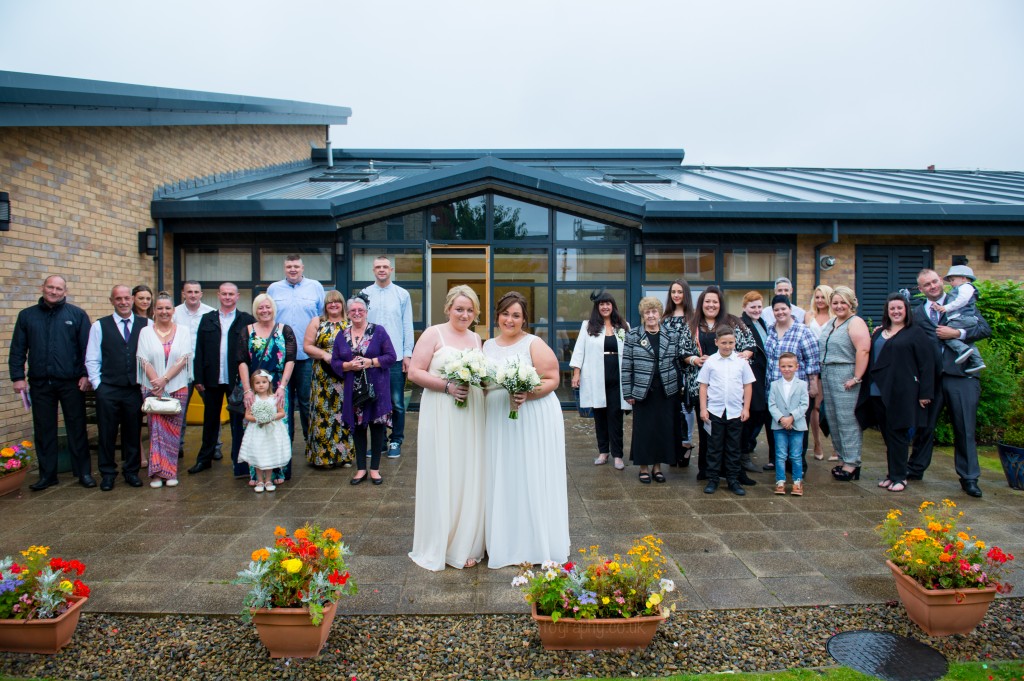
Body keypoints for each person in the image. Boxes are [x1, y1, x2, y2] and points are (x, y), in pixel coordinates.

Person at [483, 291, 570, 568]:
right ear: (497, 315)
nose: (510, 319)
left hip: (531, 416)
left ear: (524, 319)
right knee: (505, 474)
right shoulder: (486, 346)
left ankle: (536, 543)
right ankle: (506, 541)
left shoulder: (534, 343)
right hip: (498, 418)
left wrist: (527, 394)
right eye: (506, 313)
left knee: (530, 472)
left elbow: (553, 378)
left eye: (516, 315)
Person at [408, 285, 486, 571]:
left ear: (476, 312)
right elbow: (415, 372)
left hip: (472, 411)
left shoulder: (477, 338)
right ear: (448, 308)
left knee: (468, 472)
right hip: (442, 409)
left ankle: (467, 542)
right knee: (444, 470)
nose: (464, 314)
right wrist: (447, 386)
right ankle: (442, 542)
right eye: (459, 309)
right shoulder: (433, 333)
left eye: (470, 310)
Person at [909, 268, 990, 498]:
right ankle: (915, 468)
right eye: (926, 285)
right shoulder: (917, 314)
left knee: (964, 427)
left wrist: (956, 333)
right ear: (922, 289)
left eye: (934, 282)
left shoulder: (960, 303)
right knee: (924, 426)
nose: (932, 287)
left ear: (941, 282)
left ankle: (969, 478)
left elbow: (984, 328)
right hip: (931, 379)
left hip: (962, 376)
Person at [9, 275, 93, 490]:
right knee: (44, 429)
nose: (54, 291)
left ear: (65, 291)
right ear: (43, 288)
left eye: (58, 288)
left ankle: (83, 472)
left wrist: (85, 374)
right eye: (50, 287)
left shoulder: (77, 315)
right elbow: (18, 349)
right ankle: (48, 475)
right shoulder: (27, 316)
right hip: (40, 383)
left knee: (77, 427)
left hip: (71, 382)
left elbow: (87, 349)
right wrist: (17, 377)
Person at [855, 293, 934, 494]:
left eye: (900, 308)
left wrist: (925, 393)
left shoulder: (915, 333)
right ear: (887, 312)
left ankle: (900, 477)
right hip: (877, 391)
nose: (896, 311)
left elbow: (926, 364)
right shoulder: (880, 332)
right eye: (892, 308)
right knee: (888, 436)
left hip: (902, 392)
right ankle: (892, 475)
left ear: (906, 310)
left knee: (898, 435)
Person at [681, 285, 756, 484]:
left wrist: (747, 353)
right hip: (703, 389)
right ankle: (708, 471)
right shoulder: (691, 324)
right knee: (709, 433)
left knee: (734, 434)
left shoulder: (734, 322)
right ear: (702, 304)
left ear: (720, 303)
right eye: (707, 301)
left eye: (715, 301)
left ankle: (733, 472)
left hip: (730, 390)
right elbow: (681, 352)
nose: (711, 305)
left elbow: (750, 344)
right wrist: (695, 360)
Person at [86, 284, 151, 491]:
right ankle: (107, 473)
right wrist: (99, 386)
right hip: (109, 388)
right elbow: (92, 358)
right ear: (112, 301)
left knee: (133, 432)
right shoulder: (99, 326)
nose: (123, 302)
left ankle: (131, 471)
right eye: (118, 299)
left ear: (132, 300)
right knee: (107, 433)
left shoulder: (146, 324)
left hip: (134, 388)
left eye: (126, 298)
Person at [190, 283, 255, 477]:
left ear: (238, 296)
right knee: (210, 420)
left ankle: (240, 461)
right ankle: (204, 459)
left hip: (236, 379)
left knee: (238, 421)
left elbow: (251, 351)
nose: (227, 297)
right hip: (211, 378)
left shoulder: (246, 319)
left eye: (231, 294)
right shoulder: (207, 319)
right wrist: (198, 377)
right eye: (224, 294)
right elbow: (199, 350)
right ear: (218, 295)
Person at [331, 293, 396, 485]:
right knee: (358, 429)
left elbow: (391, 357)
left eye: (361, 310)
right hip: (354, 390)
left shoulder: (379, 331)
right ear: (348, 313)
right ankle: (361, 469)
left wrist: (371, 362)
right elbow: (334, 361)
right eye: (353, 310)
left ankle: (374, 469)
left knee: (376, 428)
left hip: (376, 389)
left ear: (366, 312)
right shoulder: (342, 335)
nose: (357, 313)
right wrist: (347, 366)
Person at [621, 296, 682, 485]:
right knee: (644, 431)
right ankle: (643, 468)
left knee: (662, 430)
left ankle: (657, 468)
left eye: (654, 311)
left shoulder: (671, 334)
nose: (651, 315)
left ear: (660, 313)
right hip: (642, 391)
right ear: (642, 315)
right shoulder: (633, 336)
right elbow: (626, 366)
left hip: (666, 391)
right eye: (647, 312)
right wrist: (628, 392)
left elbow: (677, 361)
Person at [237, 293, 297, 485]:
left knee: (278, 429)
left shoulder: (284, 330)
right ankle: (257, 475)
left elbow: (290, 359)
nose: (265, 311)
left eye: (268, 307)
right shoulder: (247, 331)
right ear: (256, 310)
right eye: (261, 308)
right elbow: (242, 361)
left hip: (277, 386)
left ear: (273, 309)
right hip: (254, 386)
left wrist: (282, 387)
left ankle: (279, 473)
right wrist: (247, 390)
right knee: (255, 430)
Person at [569, 289, 630, 470]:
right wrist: (576, 374)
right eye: (601, 304)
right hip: (596, 377)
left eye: (608, 303)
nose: (605, 306)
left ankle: (618, 455)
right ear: (597, 307)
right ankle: (603, 452)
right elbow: (579, 350)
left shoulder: (624, 326)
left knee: (616, 417)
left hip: (617, 378)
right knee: (600, 417)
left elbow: (630, 352)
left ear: (613, 306)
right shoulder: (588, 326)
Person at [136, 292, 192, 488]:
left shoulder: (183, 331)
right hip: (152, 388)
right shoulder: (145, 332)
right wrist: (156, 383)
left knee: (173, 432)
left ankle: (170, 472)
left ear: (173, 310)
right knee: (156, 431)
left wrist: (165, 379)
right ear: (154, 311)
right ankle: (156, 474)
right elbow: (143, 359)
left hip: (177, 386)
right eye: (159, 308)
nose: (164, 311)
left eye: (167, 308)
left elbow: (184, 357)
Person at [266, 254, 324, 444]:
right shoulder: (274, 289)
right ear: (284, 268)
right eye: (289, 266)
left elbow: (322, 319)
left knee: (307, 401)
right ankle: (284, 443)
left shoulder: (315, 287)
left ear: (303, 268)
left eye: (296, 267)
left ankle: (311, 444)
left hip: (306, 356)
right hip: (280, 358)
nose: (293, 269)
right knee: (282, 401)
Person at [363, 255, 415, 459]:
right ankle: (380, 442)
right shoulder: (365, 294)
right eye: (378, 267)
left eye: (385, 266)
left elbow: (406, 326)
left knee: (397, 402)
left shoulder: (402, 295)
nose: (381, 270)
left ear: (391, 269)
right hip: (371, 359)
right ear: (373, 270)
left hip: (394, 359)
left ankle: (396, 440)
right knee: (374, 401)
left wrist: (408, 355)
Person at [818, 286, 870, 483]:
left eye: (843, 303)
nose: (839, 306)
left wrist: (856, 377)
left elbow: (863, 350)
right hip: (828, 372)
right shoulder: (832, 322)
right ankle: (842, 457)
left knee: (847, 420)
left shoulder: (855, 322)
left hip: (846, 373)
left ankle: (852, 463)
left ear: (851, 303)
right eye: (835, 302)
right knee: (833, 418)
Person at [763, 295, 820, 471]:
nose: (780, 312)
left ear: (790, 310)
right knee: (775, 425)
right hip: (774, 388)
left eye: (783, 309)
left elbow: (812, 360)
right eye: (776, 309)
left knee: (797, 426)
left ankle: (798, 464)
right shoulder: (771, 331)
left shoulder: (802, 330)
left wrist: (813, 384)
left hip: (796, 389)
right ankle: (777, 461)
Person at [697, 327, 756, 496]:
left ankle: (733, 480)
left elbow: (747, 385)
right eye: (724, 343)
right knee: (714, 448)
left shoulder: (741, 362)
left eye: (731, 342)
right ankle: (713, 479)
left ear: (735, 342)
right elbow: (703, 386)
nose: (727, 346)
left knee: (733, 448)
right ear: (716, 342)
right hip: (715, 411)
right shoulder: (711, 362)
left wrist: (746, 408)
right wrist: (703, 408)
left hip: (735, 412)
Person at [303, 289, 353, 468]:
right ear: (325, 305)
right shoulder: (318, 322)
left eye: (337, 301)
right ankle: (323, 458)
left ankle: (344, 456)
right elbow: (307, 346)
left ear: (342, 305)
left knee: (344, 414)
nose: (333, 304)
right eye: (330, 302)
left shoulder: (350, 323)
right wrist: (324, 354)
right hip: (323, 377)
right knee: (322, 415)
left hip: (345, 376)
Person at [173, 280, 213, 459]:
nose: (193, 295)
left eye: (196, 292)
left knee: (211, 409)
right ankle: (177, 445)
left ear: (201, 294)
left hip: (203, 369)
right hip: (180, 369)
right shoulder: (174, 313)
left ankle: (215, 446)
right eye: (189, 292)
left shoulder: (210, 312)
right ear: (183, 294)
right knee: (179, 409)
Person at [661, 279, 699, 467]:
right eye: (673, 292)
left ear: (686, 294)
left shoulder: (693, 318)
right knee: (672, 408)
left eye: (680, 292)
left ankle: (686, 444)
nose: (676, 295)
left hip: (688, 368)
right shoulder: (665, 317)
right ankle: (673, 446)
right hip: (668, 368)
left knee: (687, 407)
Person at [238, 370, 291, 493]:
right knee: (258, 454)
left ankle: (268, 480)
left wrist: (270, 417)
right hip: (257, 431)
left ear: (269, 383)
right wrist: (258, 419)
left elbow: (282, 413)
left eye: (263, 382)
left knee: (269, 453)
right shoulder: (253, 400)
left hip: (271, 431)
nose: (261, 385)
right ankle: (259, 480)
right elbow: (247, 415)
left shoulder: (274, 398)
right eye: (257, 383)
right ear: (253, 385)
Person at [739, 291, 773, 472]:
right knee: (754, 411)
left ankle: (747, 446)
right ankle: (743, 453)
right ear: (744, 307)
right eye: (753, 307)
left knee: (761, 412)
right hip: (751, 375)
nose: (757, 310)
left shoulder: (762, 323)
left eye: (759, 306)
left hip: (764, 374)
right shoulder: (742, 324)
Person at [768, 352, 809, 496]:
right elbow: (772, 405)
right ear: (779, 367)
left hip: (797, 425)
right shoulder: (774, 385)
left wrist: (791, 418)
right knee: (780, 455)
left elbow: (804, 404)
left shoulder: (802, 384)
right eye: (783, 366)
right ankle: (780, 481)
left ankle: (797, 482)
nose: (787, 369)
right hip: (779, 426)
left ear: (796, 367)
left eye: (790, 366)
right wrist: (781, 419)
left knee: (796, 455)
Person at [933, 265, 985, 374]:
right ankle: (977, 361)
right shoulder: (960, 288)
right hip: (964, 318)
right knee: (968, 341)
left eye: (952, 280)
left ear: (963, 278)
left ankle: (963, 350)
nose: (951, 283)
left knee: (945, 334)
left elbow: (961, 300)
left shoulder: (966, 287)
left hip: (962, 318)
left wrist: (945, 308)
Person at [805, 285, 835, 460]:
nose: (820, 301)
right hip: (814, 366)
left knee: (832, 406)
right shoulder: (809, 316)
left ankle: (835, 447)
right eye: (817, 297)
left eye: (823, 297)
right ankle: (817, 443)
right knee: (815, 406)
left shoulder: (836, 316)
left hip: (832, 363)